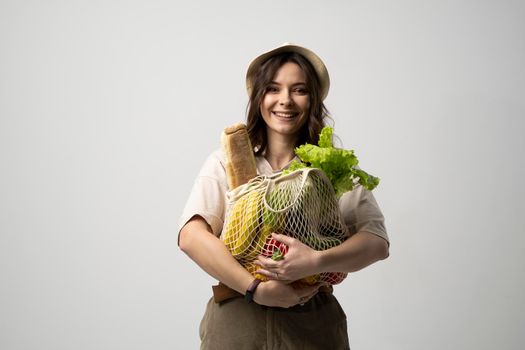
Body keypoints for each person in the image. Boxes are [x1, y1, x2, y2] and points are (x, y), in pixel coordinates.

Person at [178, 43, 389, 349]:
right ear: (259, 97)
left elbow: (376, 244)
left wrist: (315, 261)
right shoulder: (226, 161)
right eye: (273, 89)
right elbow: (191, 236)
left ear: (313, 100)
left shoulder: (329, 165)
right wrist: (254, 288)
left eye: (299, 90)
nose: (285, 101)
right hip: (237, 321)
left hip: (312, 325)